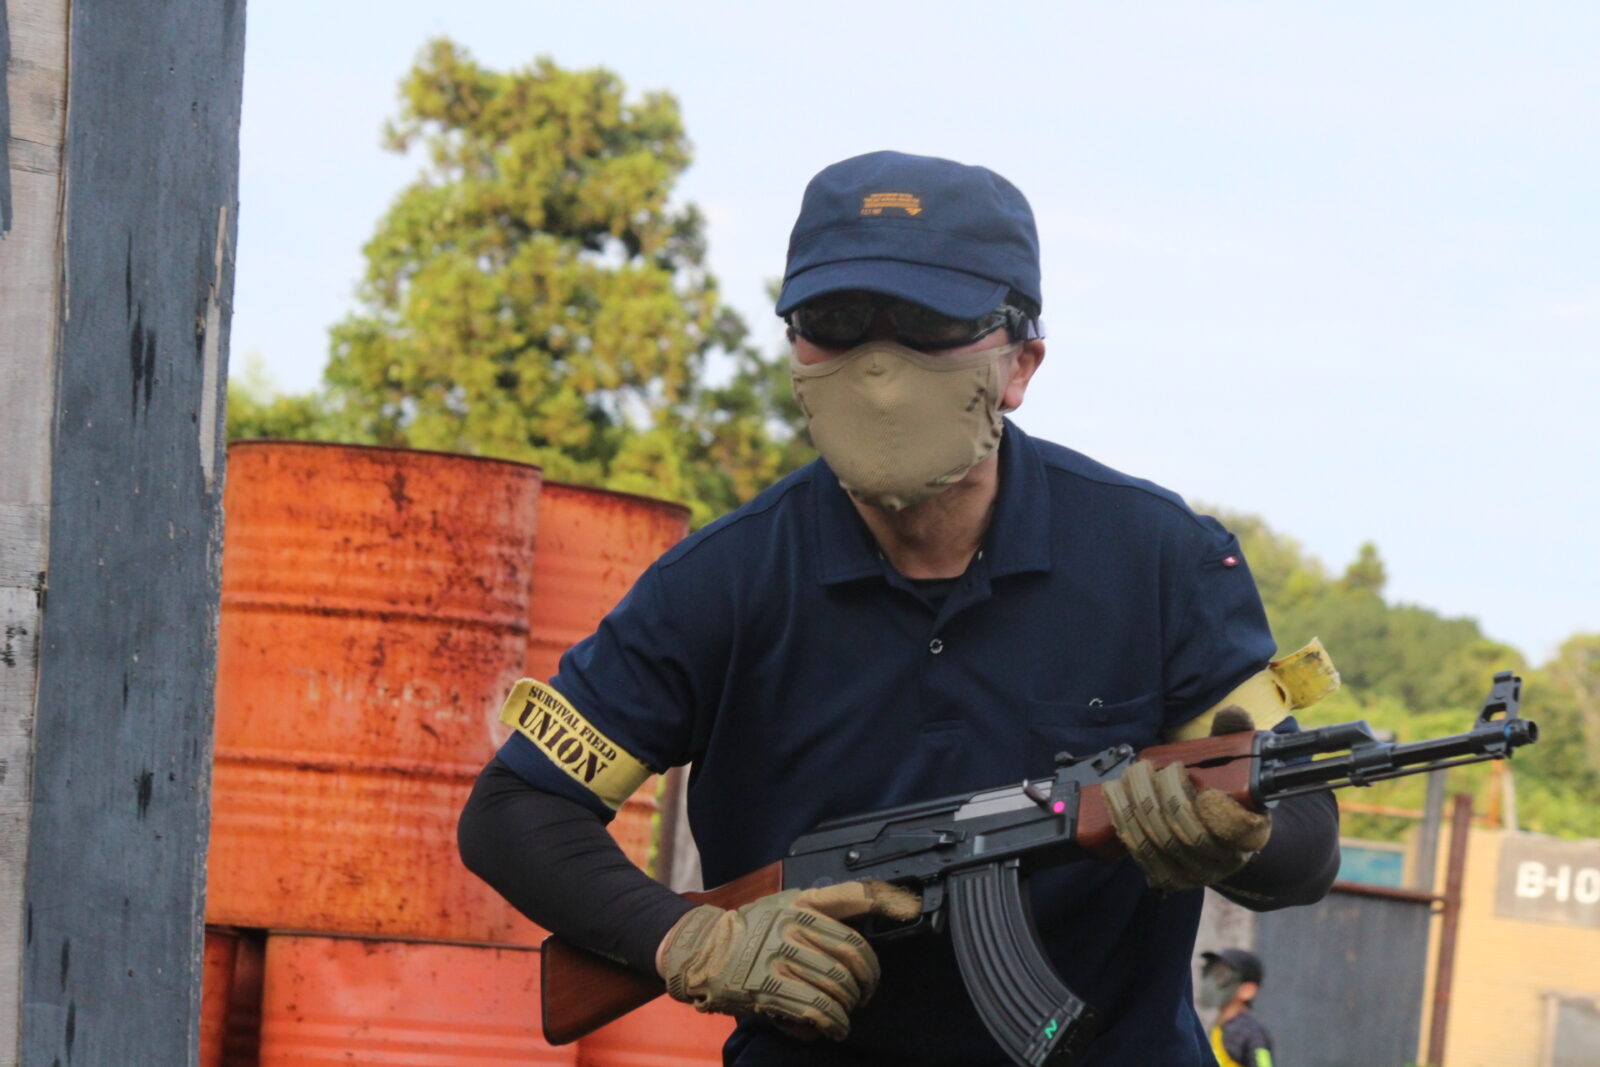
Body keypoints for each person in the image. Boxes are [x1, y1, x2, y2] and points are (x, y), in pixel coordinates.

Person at [458, 150, 1341, 1066]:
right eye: (835, 323)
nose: (878, 368)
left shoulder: (1160, 561)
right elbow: (516, 805)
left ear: (1021, 363)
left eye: (929, 324)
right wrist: (686, 939)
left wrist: (1242, 837)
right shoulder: (719, 585)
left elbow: (1307, 832)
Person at [1199, 949, 1276, 1067]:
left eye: (1221, 975)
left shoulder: (1251, 1033)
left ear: (1248, 990)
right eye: (1210, 972)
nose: (1212, 981)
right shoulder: (1218, 1027)